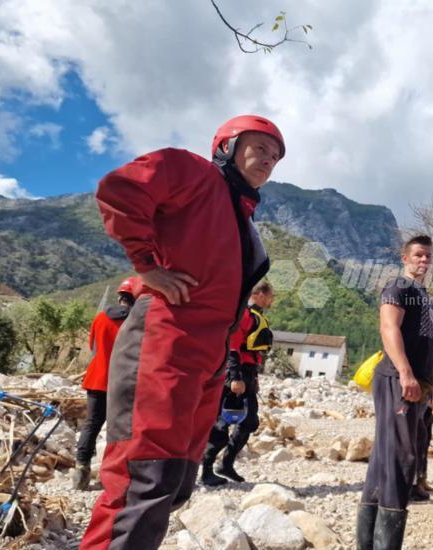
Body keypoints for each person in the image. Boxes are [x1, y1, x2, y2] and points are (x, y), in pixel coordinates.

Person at [81, 115, 283, 550]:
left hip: (205, 359)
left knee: (173, 484)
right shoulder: (194, 172)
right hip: (163, 341)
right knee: (139, 481)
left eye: (275, 155)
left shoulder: (240, 214)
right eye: (260, 147)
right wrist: (146, 267)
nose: (268, 159)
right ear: (227, 145)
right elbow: (120, 188)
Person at [357, 234, 433, 550]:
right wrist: (405, 373)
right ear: (405, 258)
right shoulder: (398, 288)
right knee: (400, 456)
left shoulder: (425, 298)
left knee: (387, 454)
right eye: (418, 255)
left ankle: (368, 543)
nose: (424, 261)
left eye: (428, 257)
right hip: (396, 379)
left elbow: (429, 348)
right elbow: (388, 329)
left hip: (417, 384)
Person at [201, 281, 274, 486]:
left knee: (249, 422)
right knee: (222, 424)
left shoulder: (256, 316)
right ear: (259, 294)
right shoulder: (243, 314)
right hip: (236, 373)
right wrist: (234, 377)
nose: (272, 300)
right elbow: (232, 346)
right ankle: (206, 470)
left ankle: (226, 464)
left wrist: (253, 378)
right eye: (270, 296)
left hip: (248, 374)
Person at [72, 277, 139, 491]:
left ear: (120, 297)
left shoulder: (100, 318)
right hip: (124, 382)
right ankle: (111, 476)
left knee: (91, 425)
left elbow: (93, 347)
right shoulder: (137, 322)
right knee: (118, 430)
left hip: (96, 378)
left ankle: (81, 469)